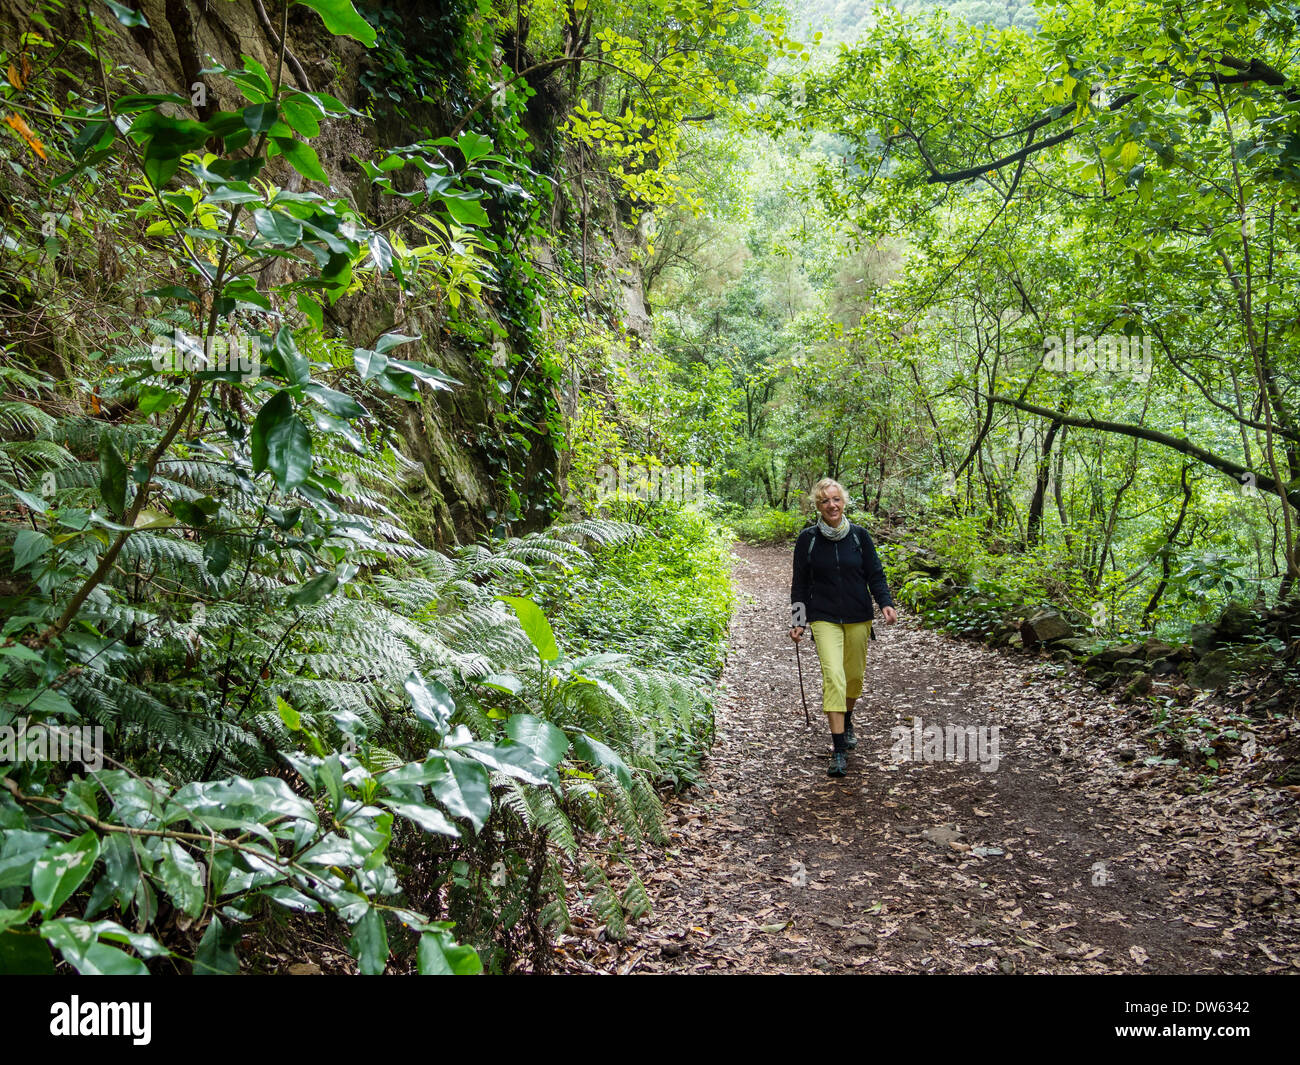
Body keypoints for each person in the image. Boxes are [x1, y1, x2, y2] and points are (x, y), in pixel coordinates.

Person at [789, 478, 897, 777]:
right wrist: (798, 620)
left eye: (836, 500)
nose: (831, 505)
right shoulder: (807, 540)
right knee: (833, 678)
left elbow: (875, 574)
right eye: (825, 501)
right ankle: (838, 749)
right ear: (818, 506)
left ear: (844, 502)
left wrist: (885, 603)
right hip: (823, 618)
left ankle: (847, 719)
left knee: (853, 679)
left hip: (858, 615)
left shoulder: (860, 537)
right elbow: (799, 584)